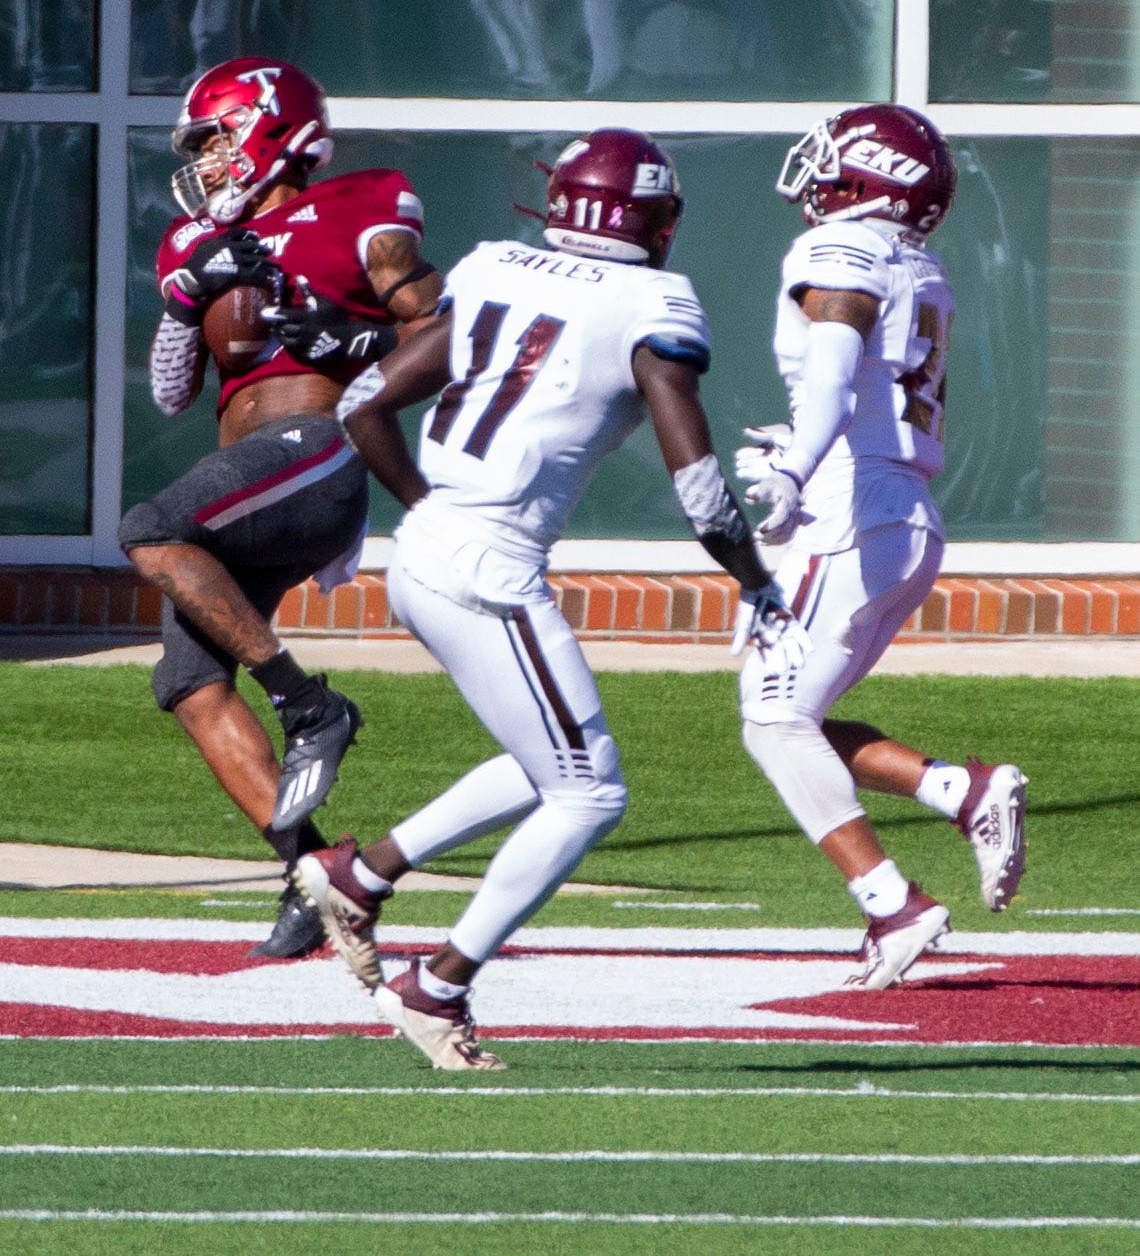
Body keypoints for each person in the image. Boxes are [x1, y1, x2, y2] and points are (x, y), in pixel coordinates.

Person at [290, 127, 809, 1069]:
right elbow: (699, 489)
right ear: (654, 220)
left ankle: (359, 875)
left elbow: (362, 398)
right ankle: (437, 985)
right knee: (590, 793)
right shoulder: (653, 302)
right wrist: (758, 580)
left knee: (549, 767)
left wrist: (424, 504)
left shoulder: (497, 265)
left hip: (426, 551)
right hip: (488, 568)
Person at [118, 56, 443, 958]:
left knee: (148, 528)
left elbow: (445, 335)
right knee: (187, 683)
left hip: (318, 450)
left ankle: (309, 706)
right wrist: (190, 291)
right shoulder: (194, 238)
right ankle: (313, 877)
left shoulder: (361, 206)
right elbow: (172, 392)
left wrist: (358, 340)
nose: (205, 162)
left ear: (268, 128)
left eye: (215, 139)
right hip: (246, 479)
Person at [733, 103, 1028, 990]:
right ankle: (959, 792)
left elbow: (832, 379)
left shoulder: (843, 247)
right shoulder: (916, 261)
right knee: (799, 718)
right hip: (897, 510)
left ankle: (893, 904)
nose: (817, 170)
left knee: (775, 722)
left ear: (871, 176)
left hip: (851, 509)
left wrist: (794, 470)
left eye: (835, 157)